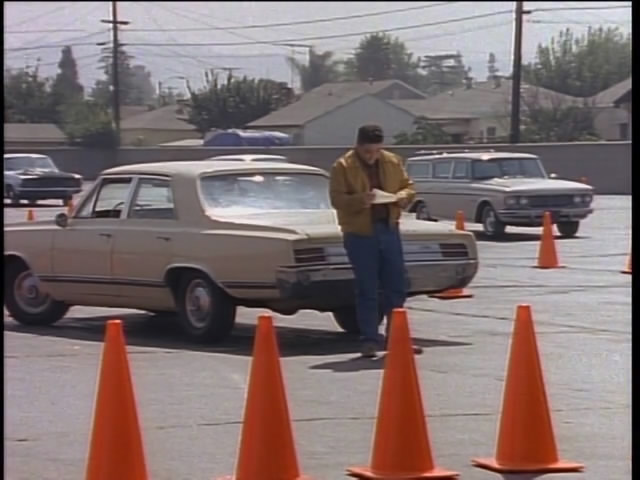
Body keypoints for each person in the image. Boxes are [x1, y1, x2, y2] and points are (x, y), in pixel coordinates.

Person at [329, 124, 423, 358]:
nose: (372, 156)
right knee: (367, 288)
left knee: (396, 286)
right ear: (358, 147)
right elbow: (337, 199)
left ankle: (397, 338)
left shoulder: (392, 161)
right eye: (367, 152)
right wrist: (361, 199)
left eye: (376, 151)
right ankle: (370, 339)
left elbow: (408, 187)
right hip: (360, 233)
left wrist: (401, 197)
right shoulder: (342, 166)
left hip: (388, 228)